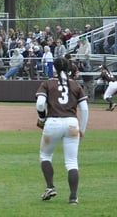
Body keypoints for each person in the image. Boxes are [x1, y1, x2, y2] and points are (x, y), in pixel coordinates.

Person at [35, 57, 89, 205]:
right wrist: (82, 130)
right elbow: (84, 109)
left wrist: (41, 118)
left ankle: (50, 186)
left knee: (45, 155)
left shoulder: (48, 83)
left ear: (55, 69)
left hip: (53, 122)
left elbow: (40, 103)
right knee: (72, 162)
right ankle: (73, 198)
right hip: (72, 123)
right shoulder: (76, 85)